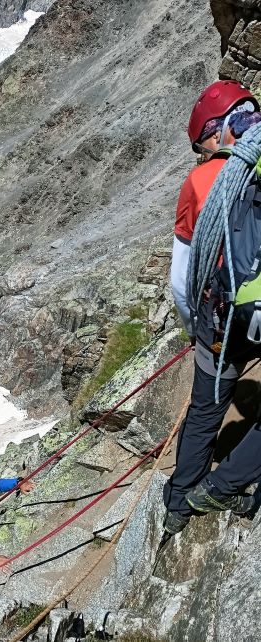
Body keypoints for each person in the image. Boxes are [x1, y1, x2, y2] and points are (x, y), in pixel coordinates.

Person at [163, 80, 261, 535]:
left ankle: (181, 503)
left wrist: (193, 327)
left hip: (221, 320)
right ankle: (230, 483)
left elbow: (181, 279)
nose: (202, 154)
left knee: (206, 410)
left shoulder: (201, 182)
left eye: (202, 143)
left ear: (220, 131)